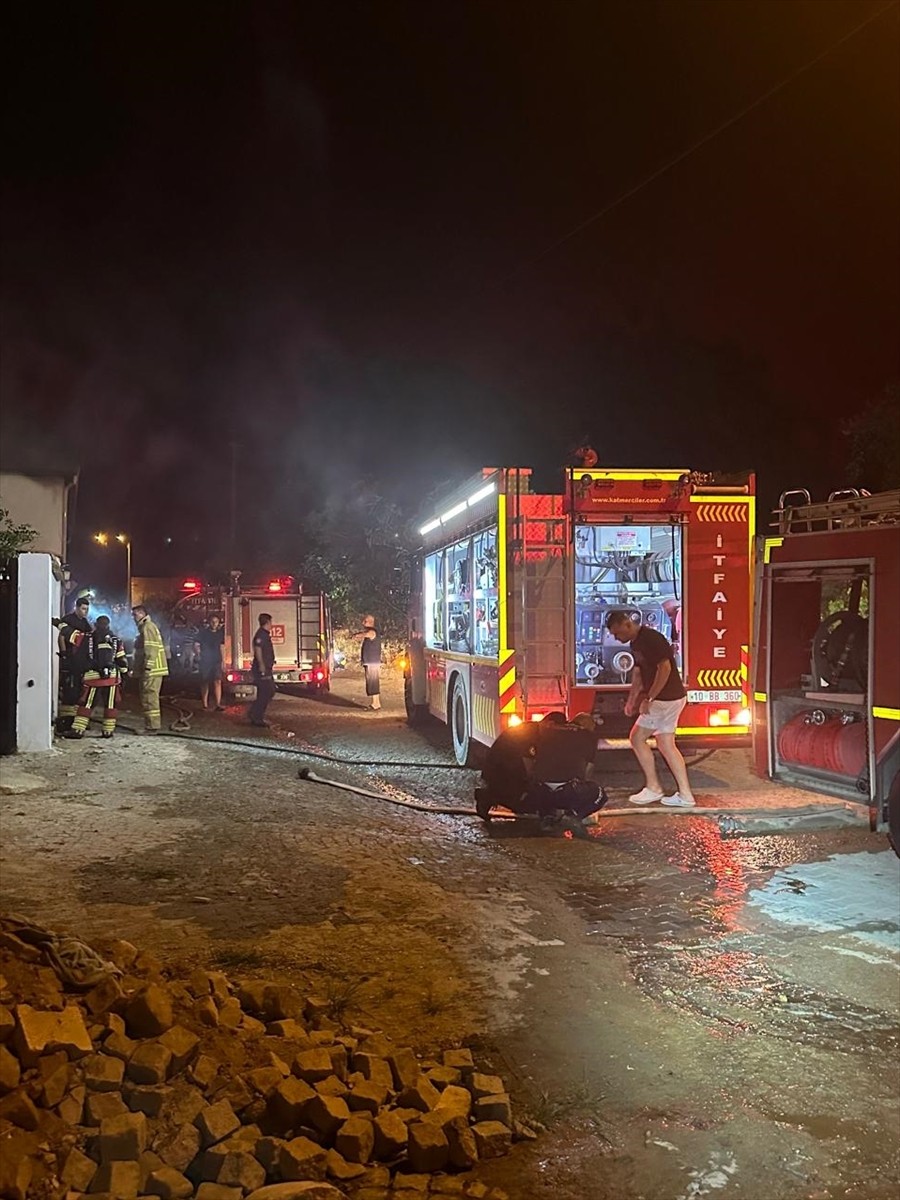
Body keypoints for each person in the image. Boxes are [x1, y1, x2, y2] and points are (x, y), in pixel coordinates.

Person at [605, 610, 695, 808]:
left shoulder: (652, 638)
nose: (616, 637)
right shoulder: (635, 643)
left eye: (617, 633)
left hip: (664, 698)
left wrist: (649, 697)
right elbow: (638, 673)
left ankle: (654, 788)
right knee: (666, 745)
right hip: (671, 698)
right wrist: (632, 700)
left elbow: (666, 669)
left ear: (628, 624)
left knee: (637, 738)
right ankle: (685, 795)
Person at [525, 712, 608, 825]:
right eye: (592, 727)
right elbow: (587, 771)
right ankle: (573, 816)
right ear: (585, 725)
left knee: (544, 786)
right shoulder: (587, 736)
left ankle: (547, 816)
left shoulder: (546, 732)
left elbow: (530, 761)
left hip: (539, 792)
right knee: (600, 794)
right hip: (567, 792)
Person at [66, 616, 129, 739]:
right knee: (111, 704)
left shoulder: (87, 637)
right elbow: (121, 660)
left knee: (86, 703)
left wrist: (58, 624)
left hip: (92, 678)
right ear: (108, 625)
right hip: (111, 678)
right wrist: (124, 674)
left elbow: (70, 634)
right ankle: (108, 731)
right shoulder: (116, 640)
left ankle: (78, 731)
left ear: (95, 624)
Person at [474, 720, 542, 819]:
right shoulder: (532, 733)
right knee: (522, 802)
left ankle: (492, 796)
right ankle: (486, 798)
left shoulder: (531, 728)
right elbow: (529, 766)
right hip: (501, 770)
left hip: (501, 766)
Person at [53, 589, 93, 735]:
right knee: (69, 690)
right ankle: (66, 720)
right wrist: (64, 654)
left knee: (79, 691)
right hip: (70, 659)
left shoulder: (85, 622)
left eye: (87, 609)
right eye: (83, 609)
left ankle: (77, 719)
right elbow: (62, 637)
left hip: (80, 662)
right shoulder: (69, 620)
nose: (85, 612)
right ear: (76, 608)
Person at [132, 604, 169, 734]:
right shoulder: (146, 627)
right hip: (154, 669)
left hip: (152, 670)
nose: (133, 617)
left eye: (135, 614)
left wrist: (147, 667)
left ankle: (152, 727)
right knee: (149, 697)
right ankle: (151, 725)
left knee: (149, 697)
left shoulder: (147, 627)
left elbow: (151, 648)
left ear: (142, 613)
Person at [248, 612, 276, 727]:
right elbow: (258, 650)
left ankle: (256, 715)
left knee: (265, 692)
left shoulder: (264, 634)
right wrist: (261, 666)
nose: (271, 625)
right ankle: (256, 715)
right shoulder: (261, 635)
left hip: (266, 667)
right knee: (267, 691)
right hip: (262, 669)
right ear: (267, 622)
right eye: (270, 622)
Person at [195, 614, 225, 710]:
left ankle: (218, 704)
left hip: (216, 660)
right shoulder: (203, 633)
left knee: (217, 681)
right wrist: (198, 654)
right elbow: (196, 644)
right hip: (205, 660)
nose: (214, 624)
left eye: (216, 622)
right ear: (209, 622)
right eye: (212, 621)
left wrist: (223, 660)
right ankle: (205, 704)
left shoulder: (220, 634)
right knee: (205, 681)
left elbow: (222, 647)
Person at [355, 614, 382, 711]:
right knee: (372, 682)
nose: (363, 623)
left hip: (372, 662)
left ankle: (376, 704)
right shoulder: (372, 632)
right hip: (371, 662)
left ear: (370, 622)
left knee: (373, 682)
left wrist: (357, 635)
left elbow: (366, 634)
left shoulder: (372, 632)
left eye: (365, 621)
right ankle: (375, 703)